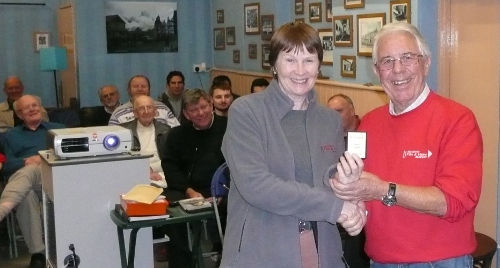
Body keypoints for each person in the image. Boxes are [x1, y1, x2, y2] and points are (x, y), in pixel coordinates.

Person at [330, 22, 483, 267]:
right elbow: (358, 185)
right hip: (381, 260)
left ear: (426, 63)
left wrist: (382, 190)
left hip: (439, 262)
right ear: (377, 71)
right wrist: (353, 205)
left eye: (407, 57)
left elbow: (452, 202)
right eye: (387, 61)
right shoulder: (369, 122)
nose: (398, 70)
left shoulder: (457, 120)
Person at [220, 22, 366, 268]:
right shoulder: (247, 111)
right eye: (290, 60)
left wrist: (350, 188)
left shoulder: (330, 119)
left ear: (319, 65)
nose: (300, 70)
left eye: (309, 60)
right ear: (274, 65)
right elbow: (257, 185)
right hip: (262, 249)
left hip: (321, 249)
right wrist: (336, 207)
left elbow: (328, 176)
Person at [161, 89, 228, 267]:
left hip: (223, 189)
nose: (200, 113)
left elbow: (239, 164)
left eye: (203, 107)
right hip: (186, 190)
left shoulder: (230, 127)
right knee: (172, 213)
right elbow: (170, 167)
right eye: (193, 110)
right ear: (186, 114)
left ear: (211, 105)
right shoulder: (176, 135)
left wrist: (222, 191)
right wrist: (189, 191)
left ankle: (228, 259)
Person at [0, 95, 65, 268]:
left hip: (55, 180)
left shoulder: (58, 130)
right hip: (26, 183)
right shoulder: (9, 136)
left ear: (41, 108)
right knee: (26, 193)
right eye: (26, 108)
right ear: (19, 115)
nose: (32, 109)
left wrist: (42, 158)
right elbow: (5, 167)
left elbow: (69, 155)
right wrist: (25, 162)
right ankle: (39, 253)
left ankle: (3, 207)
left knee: (33, 169)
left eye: (35, 105)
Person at [119, 95, 169, 189]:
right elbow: (121, 162)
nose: (146, 112)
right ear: (135, 113)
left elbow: (170, 160)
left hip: (161, 175)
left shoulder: (166, 130)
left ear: (155, 111)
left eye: (149, 107)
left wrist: (152, 170)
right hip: (134, 175)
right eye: (141, 108)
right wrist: (144, 171)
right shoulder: (124, 131)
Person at [108, 75, 180, 128]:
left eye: (143, 86)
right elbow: (112, 136)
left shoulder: (163, 107)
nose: (140, 89)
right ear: (129, 90)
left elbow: (176, 131)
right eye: (136, 86)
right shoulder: (118, 112)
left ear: (149, 89)